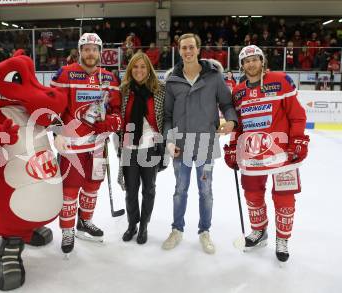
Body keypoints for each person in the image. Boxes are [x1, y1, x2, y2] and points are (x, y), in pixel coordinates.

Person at [223, 45, 309, 263]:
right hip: (252, 154)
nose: (251, 64)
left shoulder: (281, 80)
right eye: (246, 61)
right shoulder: (238, 91)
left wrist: (298, 140)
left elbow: (297, 116)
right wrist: (233, 147)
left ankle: (283, 239)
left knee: (285, 198)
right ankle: (259, 231)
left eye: (255, 59)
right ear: (241, 65)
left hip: (283, 154)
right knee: (252, 194)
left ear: (262, 60)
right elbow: (237, 125)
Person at [162, 33, 238, 254]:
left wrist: (231, 120)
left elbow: (226, 103)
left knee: (205, 190)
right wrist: (169, 140)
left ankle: (204, 231)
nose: (187, 51)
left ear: (198, 49)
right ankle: (177, 229)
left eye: (191, 47)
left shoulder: (213, 77)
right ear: (179, 50)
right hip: (180, 145)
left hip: (206, 142)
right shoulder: (173, 80)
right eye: (183, 48)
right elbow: (167, 116)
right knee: (180, 190)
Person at [51, 33, 122, 255]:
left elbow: (117, 110)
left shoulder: (109, 78)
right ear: (80, 51)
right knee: (70, 189)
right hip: (72, 145)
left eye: (95, 49)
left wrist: (111, 122)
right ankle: (67, 230)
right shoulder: (66, 73)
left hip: (98, 145)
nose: (91, 53)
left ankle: (85, 221)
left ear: (100, 52)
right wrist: (57, 132)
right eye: (86, 49)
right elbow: (54, 106)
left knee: (93, 186)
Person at [116, 52, 166, 244]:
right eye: (135, 67)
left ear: (149, 69)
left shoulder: (159, 90)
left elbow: (165, 117)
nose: (139, 70)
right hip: (129, 147)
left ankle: (144, 225)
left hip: (150, 147)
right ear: (130, 70)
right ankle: (132, 224)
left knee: (149, 189)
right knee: (130, 190)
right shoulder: (124, 91)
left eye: (142, 67)